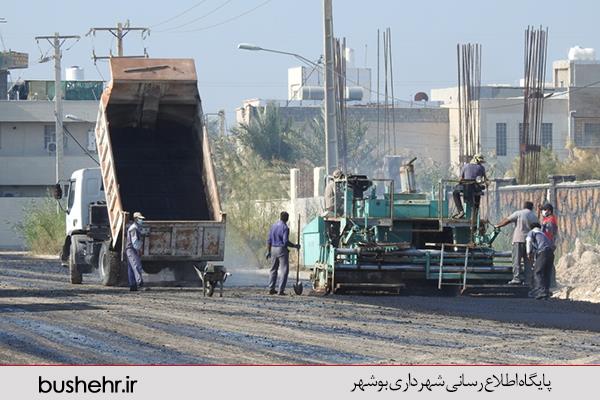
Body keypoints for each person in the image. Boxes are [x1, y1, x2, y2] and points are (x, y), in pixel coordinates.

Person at [495, 201, 538, 285]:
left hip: (518, 240)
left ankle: (516, 278)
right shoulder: (534, 216)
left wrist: (498, 225)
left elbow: (507, 220)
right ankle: (528, 281)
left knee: (516, 260)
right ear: (532, 207)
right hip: (530, 241)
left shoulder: (519, 213)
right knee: (528, 262)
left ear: (524, 206)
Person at [266, 211, 300, 295]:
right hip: (281, 250)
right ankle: (281, 290)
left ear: (280, 217)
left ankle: (271, 288)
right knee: (284, 270)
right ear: (287, 219)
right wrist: (295, 246)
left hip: (273, 249)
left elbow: (269, 240)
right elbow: (285, 241)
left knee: (273, 269)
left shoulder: (273, 226)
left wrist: (268, 251)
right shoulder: (285, 227)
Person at [452, 154, 487, 219]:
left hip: (465, 186)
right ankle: (475, 214)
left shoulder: (465, 166)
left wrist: (459, 183)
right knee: (478, 194)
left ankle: (461, 211)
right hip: (475, 187)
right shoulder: (482, 168)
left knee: (455, 193)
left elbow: (460, 179)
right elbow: (484, 179)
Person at [526, 222, 555, 300]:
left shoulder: (532, 232)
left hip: (543, 252)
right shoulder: (543, 234)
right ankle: (546, 290)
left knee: (538, 272)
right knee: (546, 272)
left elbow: (528, 241)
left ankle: (541, 291)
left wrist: (528, 253)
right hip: (551, 253)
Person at [540, 202, 558, 287]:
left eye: (544, 210)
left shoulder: (550, 220)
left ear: (549, 211)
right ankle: (550, 283)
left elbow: (550, 233)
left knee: (547, 263)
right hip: (547, 243)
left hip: (548, 244)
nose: (543, 212)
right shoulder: (546, 219)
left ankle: (551, 283)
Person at [126, 212, 145, 292]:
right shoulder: (133, 228)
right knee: (136, 265)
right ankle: (139, 283)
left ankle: (133, 286)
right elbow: (135, 243)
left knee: (131, 268)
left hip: (130, 249)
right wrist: (141, 245)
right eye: (140, 219)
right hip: (131, 249)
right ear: (136, 219)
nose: (142, 220)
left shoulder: (136, 227)